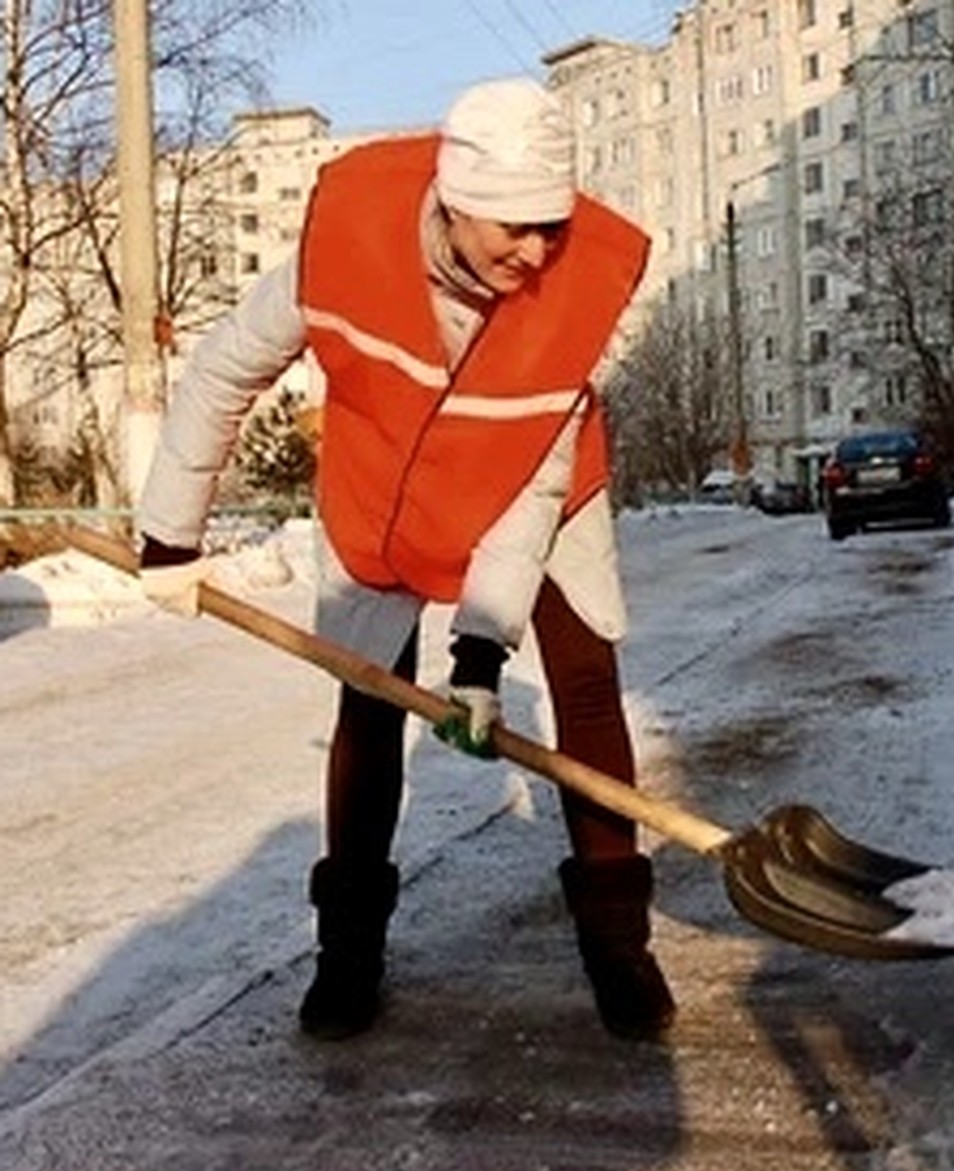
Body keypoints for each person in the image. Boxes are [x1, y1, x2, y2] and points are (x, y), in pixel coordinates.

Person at [136, 77, 676, 1043]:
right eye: (515, 227)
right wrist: (171, 536)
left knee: (587, 687)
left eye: (553, 225)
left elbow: (529, 493)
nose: (539, 250)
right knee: (371, 699)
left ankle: (618, 945)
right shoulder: (343, 247)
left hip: (537, 492)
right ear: (457, 202)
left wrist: (480, 655)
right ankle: (348, 953)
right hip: (384, 482)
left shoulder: (564, 294)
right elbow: (224, 371)